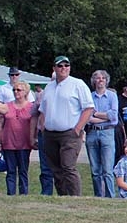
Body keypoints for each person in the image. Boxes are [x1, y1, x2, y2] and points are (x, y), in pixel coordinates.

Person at [37, 56, 93, 196]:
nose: (63, 68)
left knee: (68, 166)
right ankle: (62, 196)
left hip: (69, 133)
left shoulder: (77, 84)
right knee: (55, 168)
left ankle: (75, 197)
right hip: (50, 133)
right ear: (54, 68)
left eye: (66, 65)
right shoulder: (49, 87)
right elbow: (43, 109)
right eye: (60, 66)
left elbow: (88, 108)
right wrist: (42, 127)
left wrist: (78, 128)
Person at [0, 80, 37, 195]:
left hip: (24, 144)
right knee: (11, 171)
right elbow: (0, 125)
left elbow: (34, 125)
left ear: (26, 92)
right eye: (14, 89)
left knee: (23, 171)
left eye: (19, 90)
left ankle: (23, 194)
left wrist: (33, 139)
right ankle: (10, 194)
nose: (16, 92)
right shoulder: (6, 106)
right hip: (8, 143)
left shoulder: (31, 107)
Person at [85, 69, 119, 197]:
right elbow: (87, 118)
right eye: (98, 78)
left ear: (106, 81)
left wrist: (96, 114)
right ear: (94, 81)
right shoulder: (89, 96)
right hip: (92, 133)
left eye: (103, 78)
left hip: (107, 133)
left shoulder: (112, 96)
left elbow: (113, 116)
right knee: (95, 170)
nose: (100, 80)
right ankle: (98, 196)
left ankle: (111, 196)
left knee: (107, 170)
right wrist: (104, 116)